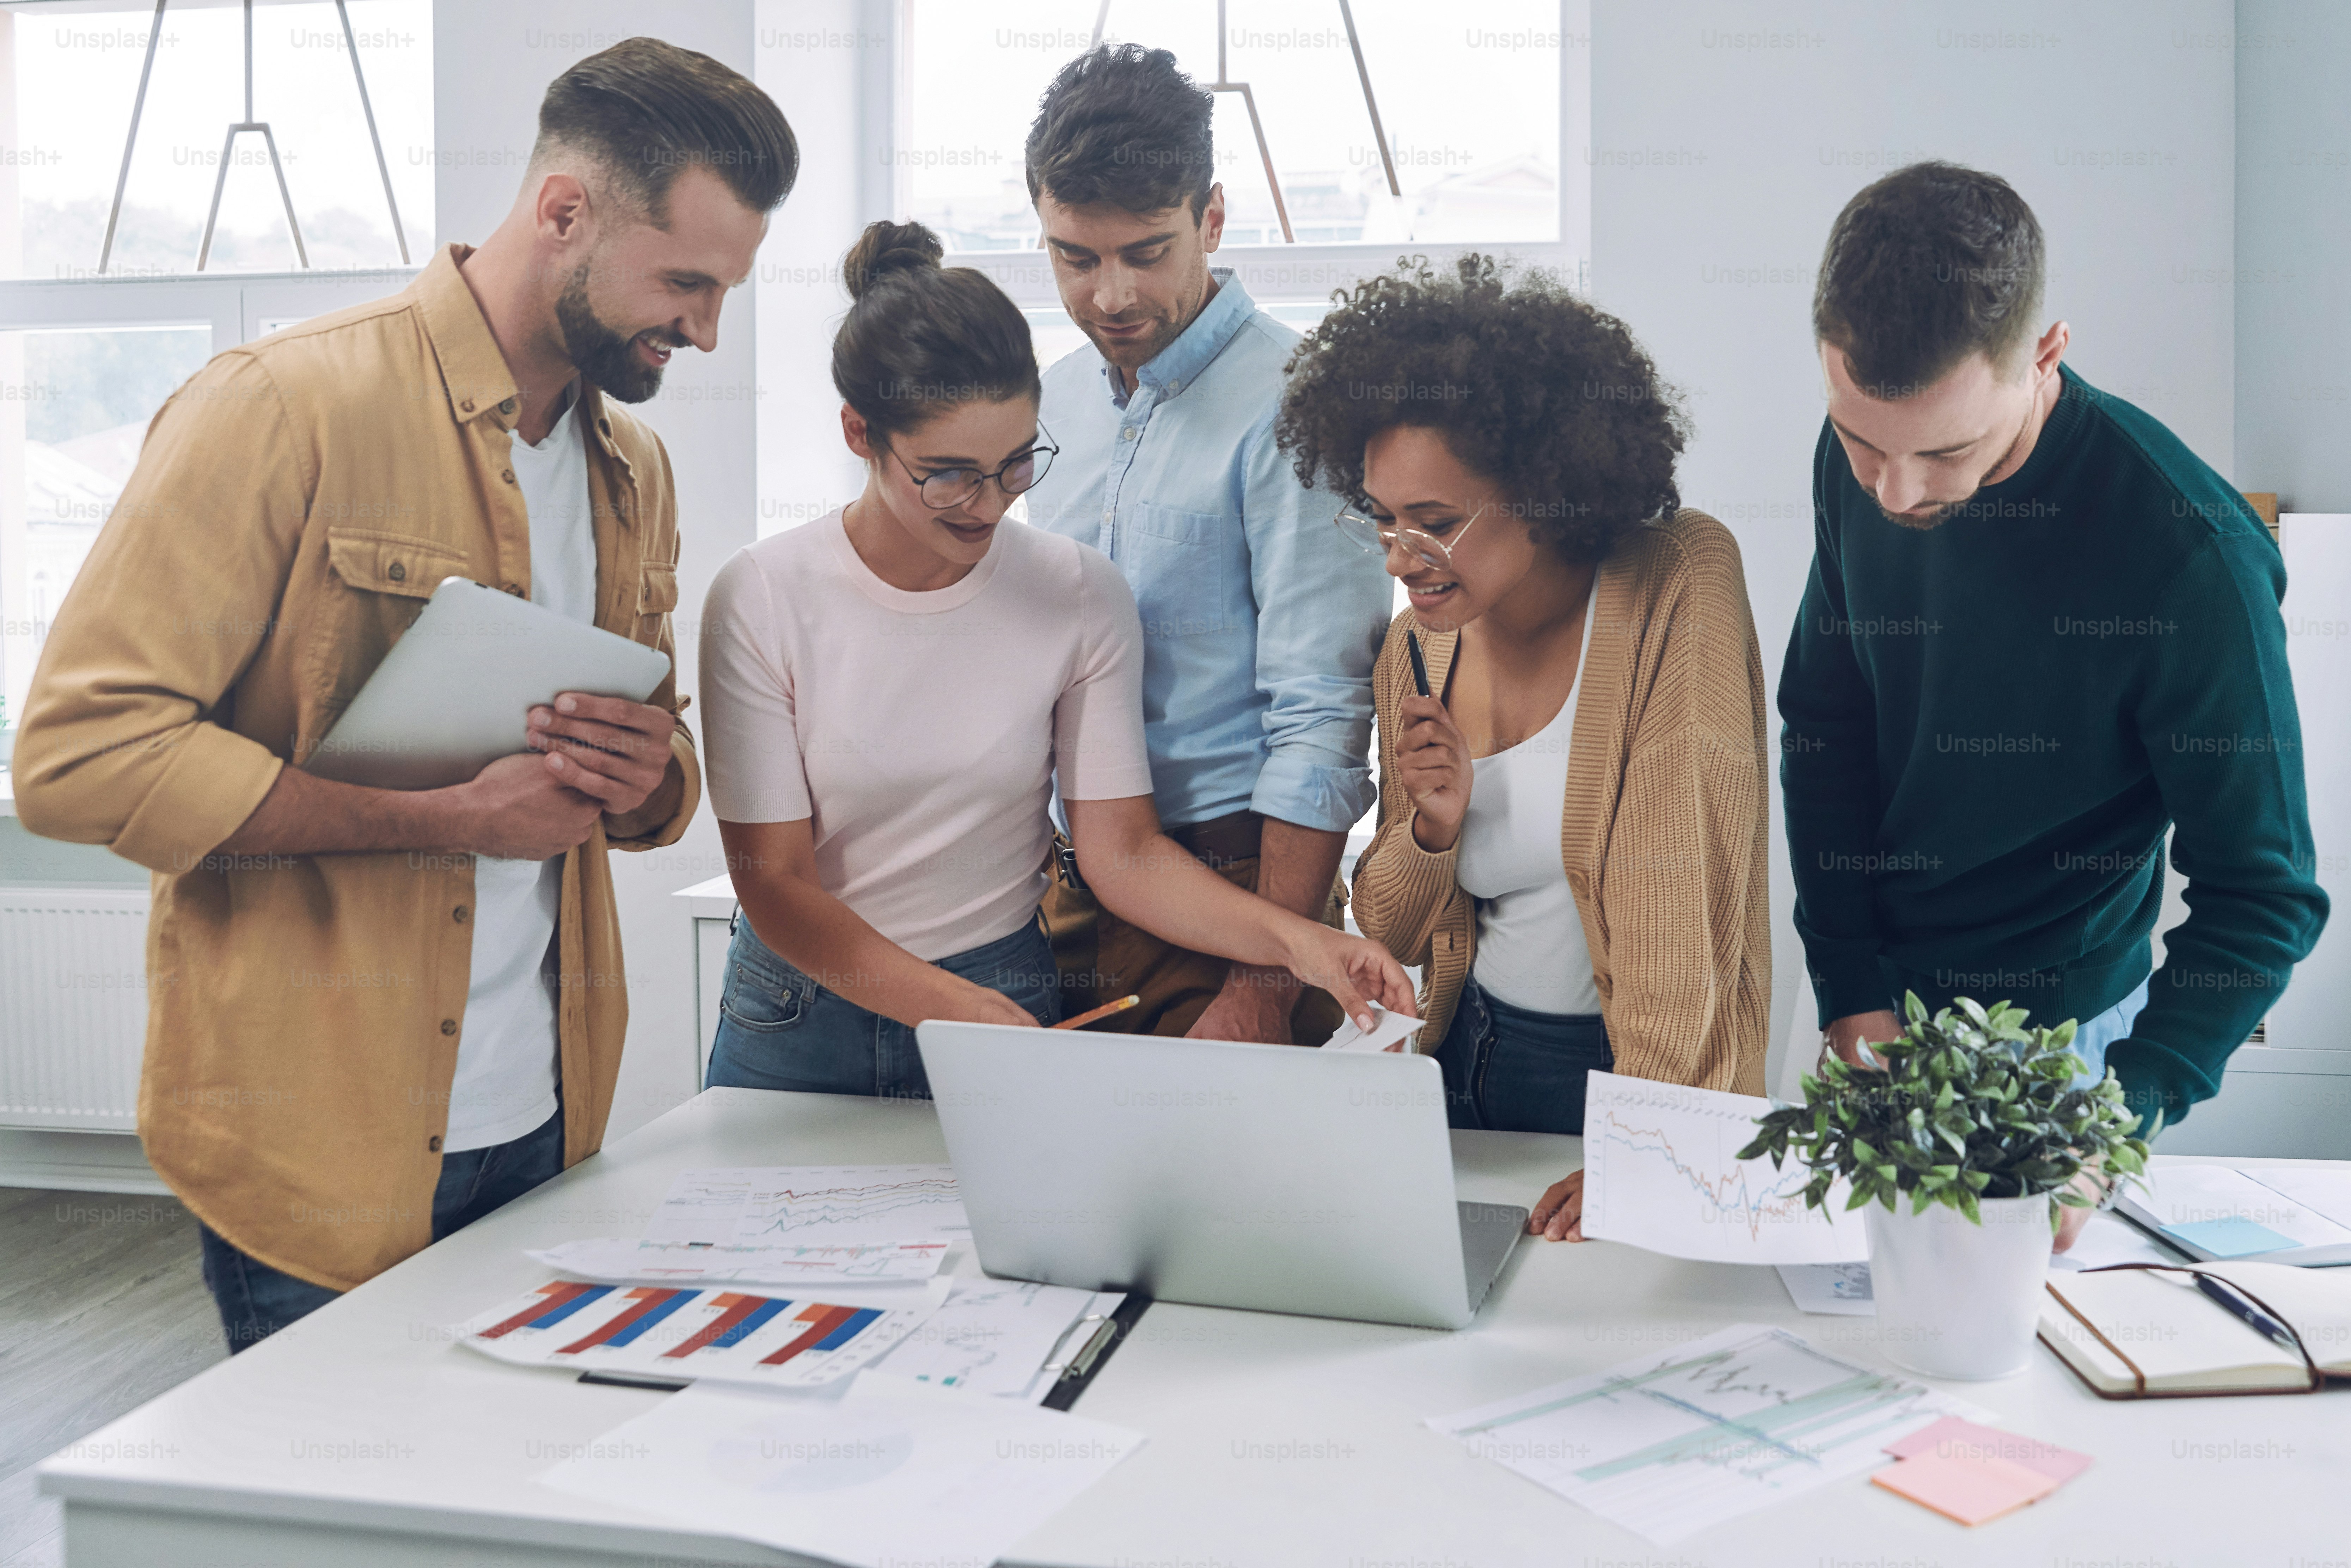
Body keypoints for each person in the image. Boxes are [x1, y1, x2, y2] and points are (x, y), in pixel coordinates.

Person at [11, 39, 791, 1349]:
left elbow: (656, 796)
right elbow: (80, 758)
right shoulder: (278, 408)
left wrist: (643, 769)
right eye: (686, 282)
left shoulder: (633, 467)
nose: (705, 329)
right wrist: (452, 816)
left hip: (546, 1122)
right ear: (562, 213)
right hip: (318, 1141)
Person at [696, 220, 1414, 1101]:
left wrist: (1297, 942)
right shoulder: (761, 596)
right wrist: (945, 1005)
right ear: (859, 433)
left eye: (1014, 466)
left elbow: (1124, 856)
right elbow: (773, 885)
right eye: (948, 474)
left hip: (1004, 983)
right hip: (795, 1010)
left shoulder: (1078, 593)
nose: (988, 505)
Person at [1781, 161, 2328, 1248]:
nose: (1892, 493)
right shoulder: (1866, 457)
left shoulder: (2188, 560)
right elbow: (1825, 728)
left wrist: (2117, 1120)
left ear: (2044, 353)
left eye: (1944, 452)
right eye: (1860, 442)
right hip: (1865, 995)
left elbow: (2261, 895)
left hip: (2062, 1045)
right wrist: (1847, 984)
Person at [1281, 255, 1774, 1242]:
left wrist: (1652, 1140)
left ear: (1547, 490)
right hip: (1460, 1056)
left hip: (1614, 1073)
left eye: (1434, 522)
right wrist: (1430, 828)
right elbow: (1391, 930)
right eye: (1378, 518)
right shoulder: (1415, 647)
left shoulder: (1677, 577)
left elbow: (1685, 899)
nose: (1396, 555)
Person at [1018, 45, 1395, 1045]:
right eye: (1074, 256)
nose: (1109, 296)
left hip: (1238, 892)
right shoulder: (1049, 399)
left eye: (1145, 252)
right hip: (1062, 888)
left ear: (1211, 220)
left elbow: (1323, 710)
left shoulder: (1299, 402)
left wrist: (1265, 981)